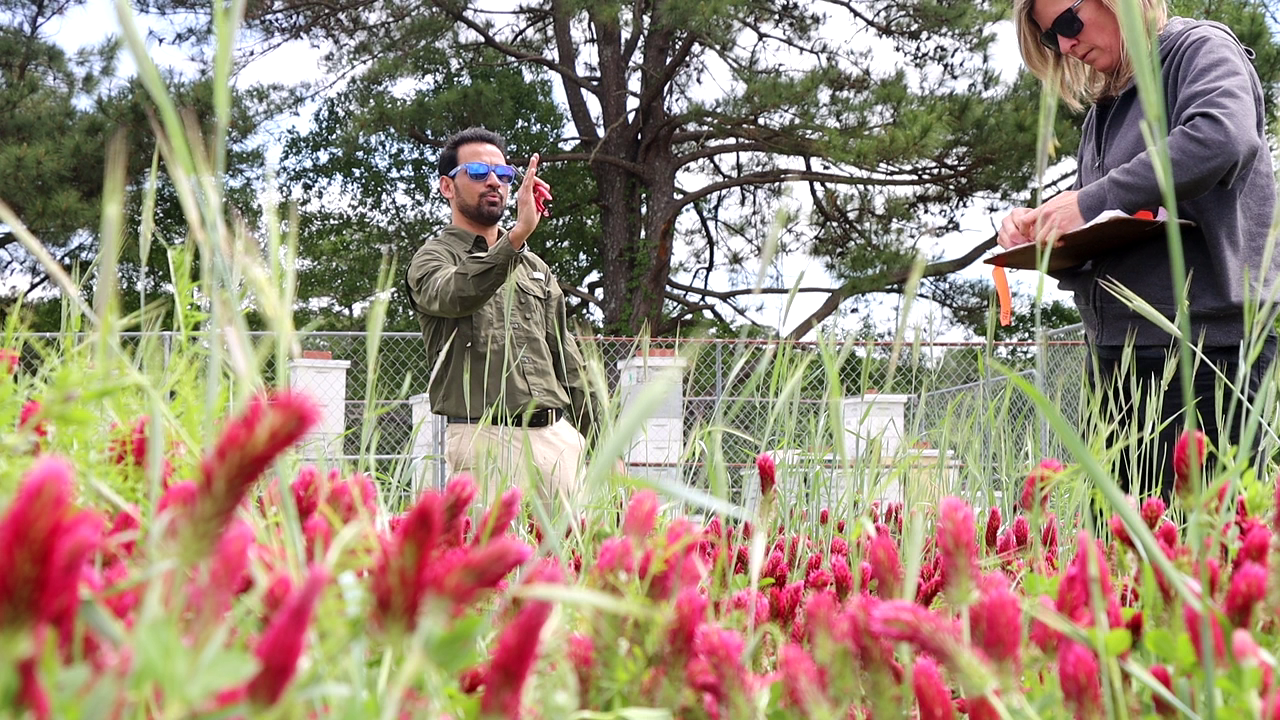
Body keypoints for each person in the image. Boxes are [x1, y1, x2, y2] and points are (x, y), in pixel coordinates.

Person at [999, 0, 1279, 500]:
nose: (1065, 44)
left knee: (1204, 557)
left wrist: (1089, 201)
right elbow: (1119, 224)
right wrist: (1044, 230)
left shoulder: (1198, 50)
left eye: (1067, 22)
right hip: (1117, 361)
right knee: (1115, 559)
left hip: (1203, 358)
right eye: (1050, 38)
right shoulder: (1105, 110)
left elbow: (1222, 136)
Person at [405, 127, 596, 507]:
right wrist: (515, 239)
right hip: (484, 442)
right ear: (447, 186)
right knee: (494, 564)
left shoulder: (535, 268)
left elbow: (568, 359)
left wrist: (602, 443)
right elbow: (457, 294)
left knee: (571, 562)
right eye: (477, 172)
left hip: (558, 441)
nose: (494, 181)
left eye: (504, 174)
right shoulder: (432, 259)